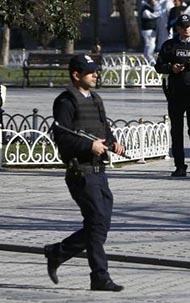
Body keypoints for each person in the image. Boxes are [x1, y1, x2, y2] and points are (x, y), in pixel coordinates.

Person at [44, 54, 126, 291]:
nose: (95, 75)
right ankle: (99, 276)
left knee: (101, 224)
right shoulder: (66, 102)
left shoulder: (96, 99)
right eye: (90, 72)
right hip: (80, 172)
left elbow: (104, 129)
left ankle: (57, 252)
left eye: (95, 71)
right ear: (76, 75)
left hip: (99, 170)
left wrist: (113, 143)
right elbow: (61, 136)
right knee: (97, 222)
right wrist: (89, 146)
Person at [154, 14, 190, 177]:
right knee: (176, 130)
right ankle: (180, 165)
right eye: (183, 27)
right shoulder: (170, 45)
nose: (186, 29)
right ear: (178, 28)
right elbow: (158, 66)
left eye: (189, 26)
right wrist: (172, 68)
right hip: (176, 93)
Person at [141, 0, 161, 64]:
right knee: (151, 44)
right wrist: (159, 13)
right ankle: (149, 58)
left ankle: (146, 58)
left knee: (148, 44)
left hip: (149, 29)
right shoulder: (145, 9)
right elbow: (151, 16)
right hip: (148, 29)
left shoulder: (149, 8)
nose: (154, 2)